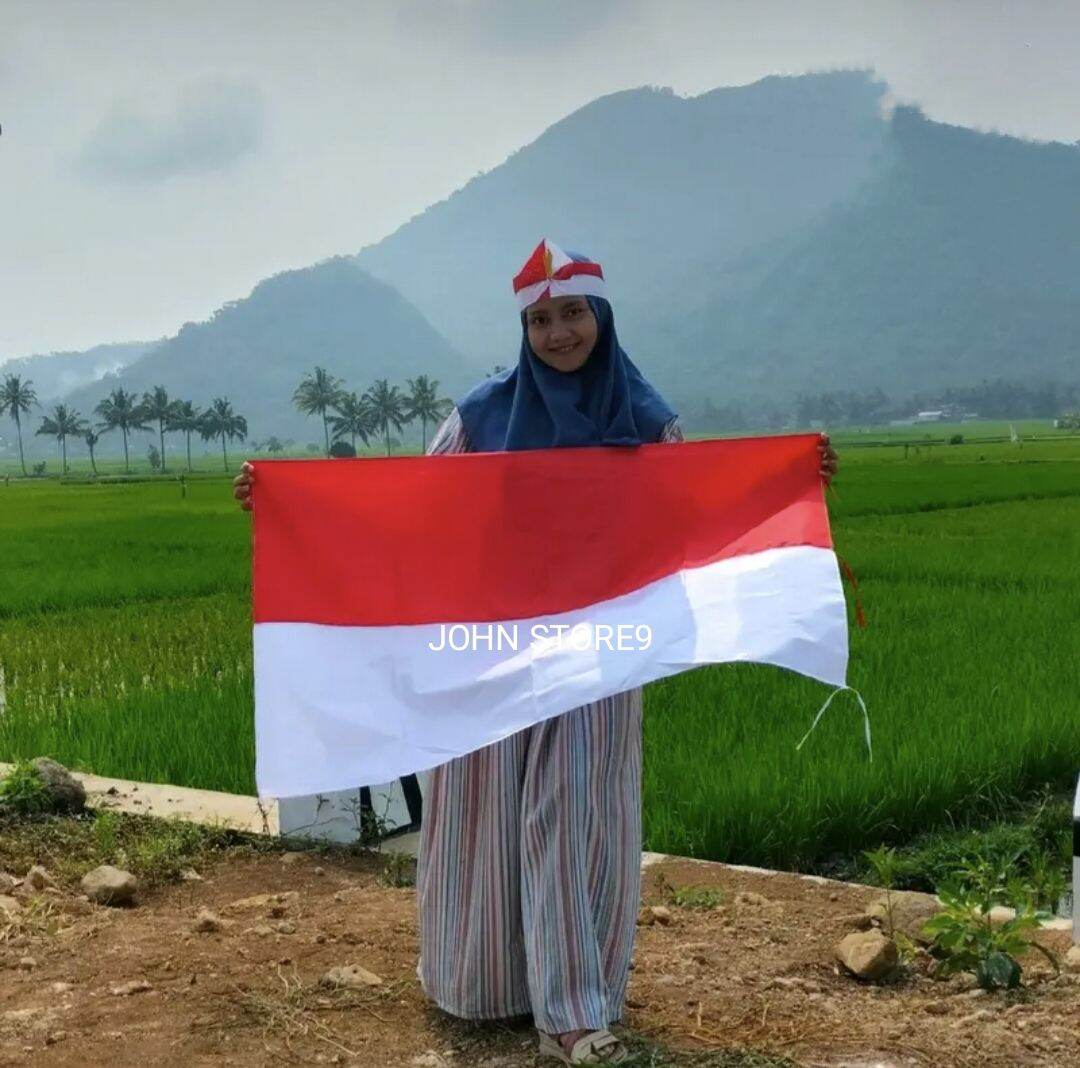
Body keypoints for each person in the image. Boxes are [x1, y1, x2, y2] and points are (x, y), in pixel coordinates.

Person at [233, 238, 838, 1065]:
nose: (558, 333)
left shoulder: (646, 419)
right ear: (524, 326)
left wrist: (794, 481)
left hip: (599, 648)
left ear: (603, 315)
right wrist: (288, 507)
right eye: (541, 318)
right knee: (478, 810)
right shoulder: (480, 416)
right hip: (486, 645)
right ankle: (477, 988)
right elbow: (415, 513)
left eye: (572, 313)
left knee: (578, 814)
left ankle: (574, 1014)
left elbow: (694, 518)